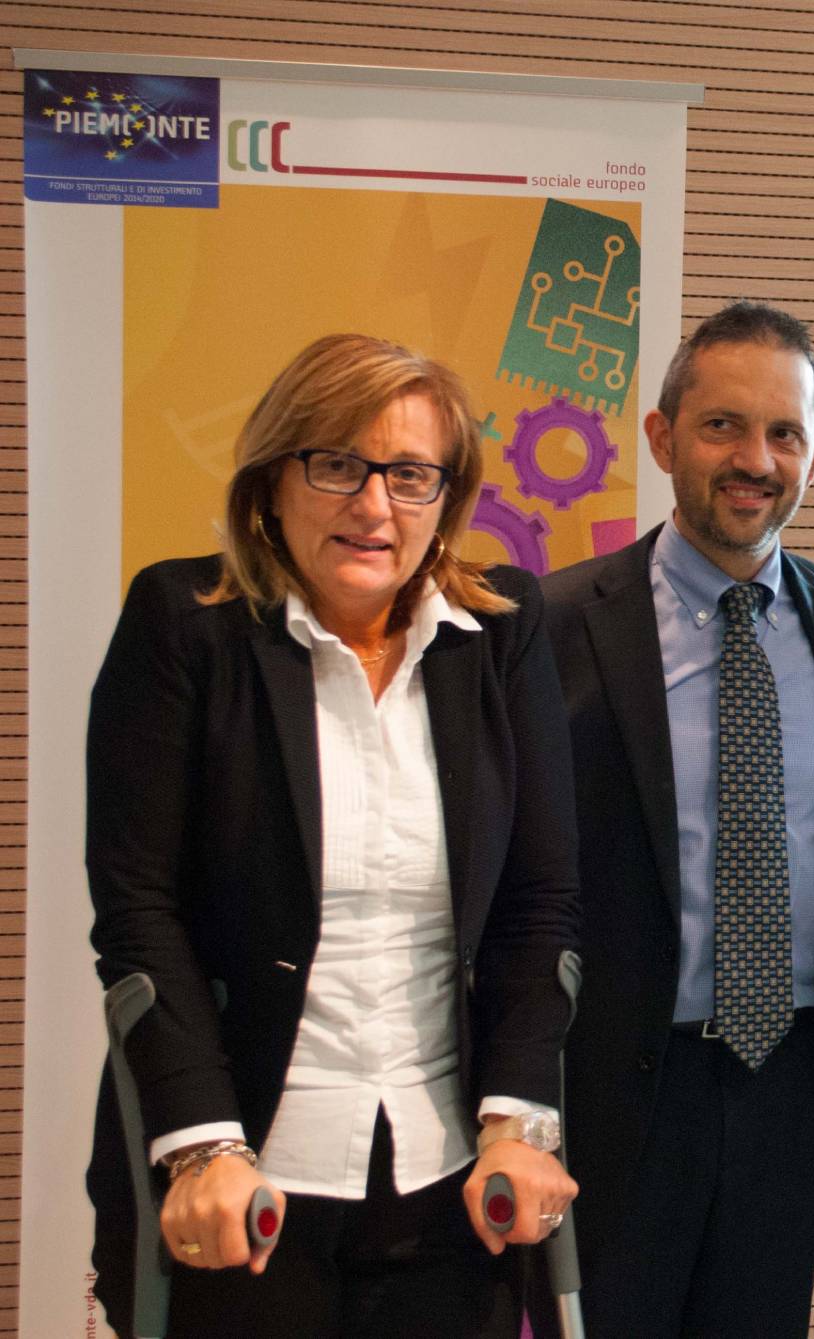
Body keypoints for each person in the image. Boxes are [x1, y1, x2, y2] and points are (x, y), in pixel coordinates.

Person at [84, 333, 581, 1339]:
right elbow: (138, 908)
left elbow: (542, 904)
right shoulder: (185, 623)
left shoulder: (502, 633)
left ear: (447, 496)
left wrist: (517, 1118)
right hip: (246, 1181)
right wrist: (203, 1145)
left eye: (410, 474)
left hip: (450, 1179)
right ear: (273, 480)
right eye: (337, 465)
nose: (373, 505)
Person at [542, 301, 814, 1337]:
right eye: (723, 426)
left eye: (784, 433)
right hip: (613, 1089)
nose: (755, 459)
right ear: (661, 437)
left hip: (788, 1083)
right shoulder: (551, 623)